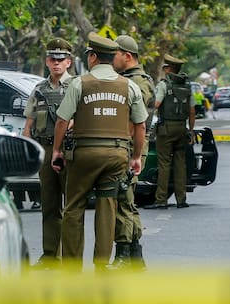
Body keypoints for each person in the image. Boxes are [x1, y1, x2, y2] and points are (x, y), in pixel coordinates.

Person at [51, 32, 147, 271]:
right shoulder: (130, 86)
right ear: (113, 58)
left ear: (92, 57)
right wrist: (136, 157)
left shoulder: (78, 83)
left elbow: (62, 121)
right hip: (116, 156)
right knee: (107, 207)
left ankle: (72, 267)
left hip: (83, 155)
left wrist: (56, 151)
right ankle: (102, 265)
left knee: (73, 207)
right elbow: (140, 125)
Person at [22, 37, 74, 268]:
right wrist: (27, 148)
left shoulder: (77, 86)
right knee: (50, 204)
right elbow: (29, 124)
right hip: (44, 148)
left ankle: (70, 256)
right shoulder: (39, 89)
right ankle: (50, 254)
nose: (56, 63)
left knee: (72, 206)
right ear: (46, 61)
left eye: (61, 59)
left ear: (68, 62)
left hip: (69, 149)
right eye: (53, 59)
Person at [110, 34, 154, 270]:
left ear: (127, 56)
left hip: (130, 146)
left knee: (122, 199)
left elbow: (137, 121)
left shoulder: (136, 82)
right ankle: (135, 256)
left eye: (114, 54)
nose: (111, 59)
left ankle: (124, 254)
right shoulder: (130, 79)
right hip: (128, 146)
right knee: (126, 199)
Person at [144, 55, 195, 209]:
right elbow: (192, 112)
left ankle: (161, 200)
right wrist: (191, 131)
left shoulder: (164, 85)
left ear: (168, 69)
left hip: (166, 130)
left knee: (164, 164)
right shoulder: (187, 86)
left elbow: (156, 104)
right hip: (182, 128)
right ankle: (181, 199)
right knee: (180, 164)